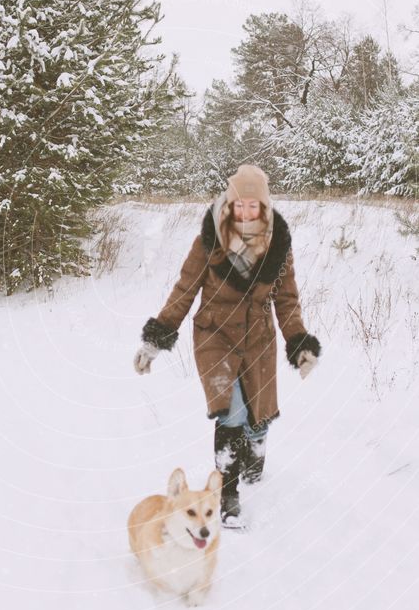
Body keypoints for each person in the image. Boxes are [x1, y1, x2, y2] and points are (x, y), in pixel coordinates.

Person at [133, 164, 321, 528]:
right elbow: (185, 289)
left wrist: (299, 342)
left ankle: (254, 456)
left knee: (258, 420)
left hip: (259, 339)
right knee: (231, 412)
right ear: (229, 203)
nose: (245, 212)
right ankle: (227, 493)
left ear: (264, 207)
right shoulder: (211, 239)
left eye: (254, 206)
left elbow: (287, 300)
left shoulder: (278, 244)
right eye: (239, 205)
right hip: (215, 334)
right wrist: (157, 338)